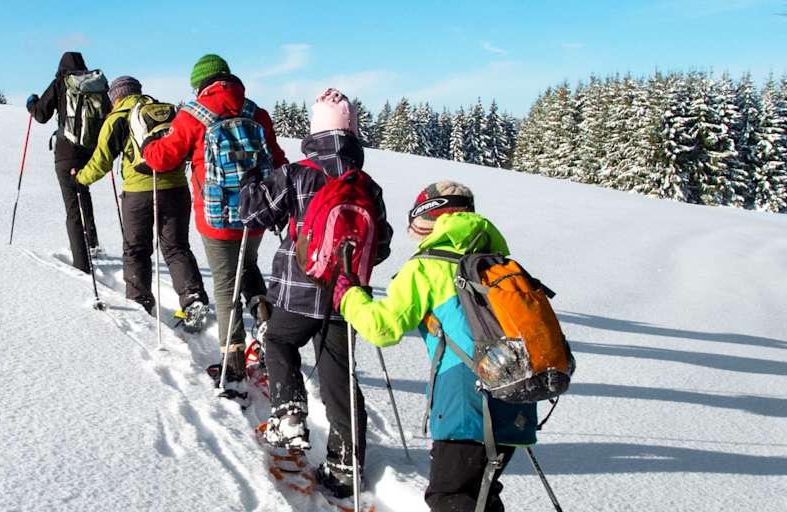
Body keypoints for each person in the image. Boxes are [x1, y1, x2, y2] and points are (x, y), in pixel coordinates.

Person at [334, 182, 538, 512]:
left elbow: (382, 328)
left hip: (465, 398)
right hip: (517, 396)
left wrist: (349, 296)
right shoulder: (500, 263)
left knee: (451, 498)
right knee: (481, 496)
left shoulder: (426, 266)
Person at [238, 88, 392, 499]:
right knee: (338, 376)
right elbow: (382, 244)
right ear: (352, 132)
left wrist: (251, 182)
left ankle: (289, 412)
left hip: (299, 290)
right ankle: (346, 466)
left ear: (316, 131)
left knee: (279, 340)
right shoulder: (367, 184)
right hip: (347, 295)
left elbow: (253, 213)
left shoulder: (297, 174)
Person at [141, 54, 287, 374]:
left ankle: (232, 361)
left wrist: (148, 145)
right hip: (256, 213)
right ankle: (265, 321)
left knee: (224, 283)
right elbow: (278, 160)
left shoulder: (193, 114)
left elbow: (163, 158)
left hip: (217, 217)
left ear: (200, 85)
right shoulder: (257, 113)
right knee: (247, 266)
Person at [74, 76, 209, 316]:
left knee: (136, 249)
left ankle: (140, 303)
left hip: (138, 194)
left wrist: (80, 179)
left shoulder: (117, 118)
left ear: (116, 97)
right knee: (177, 247)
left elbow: (101, 161)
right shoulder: (165, 112)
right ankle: (193, 298)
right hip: (176, 189)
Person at [26, 52, 106, 272]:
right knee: (83, 193)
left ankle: (81, 263)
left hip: (66, 152)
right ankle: (92, 244)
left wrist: (31, 103)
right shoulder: (94, 85)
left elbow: (41, 114)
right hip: (90, 152)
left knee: (72, 206)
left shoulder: (61, 83)